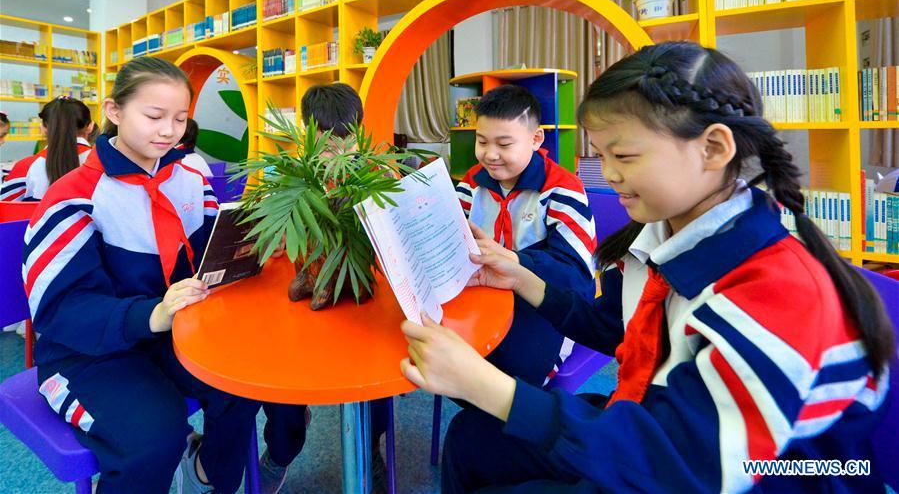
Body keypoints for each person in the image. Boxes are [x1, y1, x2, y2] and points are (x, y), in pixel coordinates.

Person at [400, 41, 895, 493]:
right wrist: (524, 280)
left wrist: (483, 383)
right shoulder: (658, 237)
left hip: (736, 474)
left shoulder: (776, 292)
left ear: (713, 148)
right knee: (470, 439)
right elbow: (616, 327)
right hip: (653, 418)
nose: (608, 174)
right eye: (601, 155)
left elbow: (685, 467)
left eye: (624, 156)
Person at [23, 57, 259, 494]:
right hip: (87, 352)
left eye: (180, 118)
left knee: (244, 383)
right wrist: (153, 314)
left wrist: (251, 247)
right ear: (114, 111)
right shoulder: (74, 195)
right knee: (153, 439)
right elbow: (60, 309)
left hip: (172, 333)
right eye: (154, 116)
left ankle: (207, 477)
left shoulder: (191, 174)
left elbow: (211, 254)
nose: (169, 131)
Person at [258, 81, 365, 494]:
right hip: (303, 300)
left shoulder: (376, 172)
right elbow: (267, 238)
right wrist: (275, 238)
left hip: (359, 300)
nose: (337, 157)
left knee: (375, 375)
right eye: (325, 145)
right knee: (278, 370)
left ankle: (369, 447)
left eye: (347, 144)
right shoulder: (286, 175)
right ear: (306, 135)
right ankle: (280, 450)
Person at [455, 84, 597, 386]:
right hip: (485, 298)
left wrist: (514, 260)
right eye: (482, 141)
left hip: (543, 305)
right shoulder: (471, 183)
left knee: (511, 375)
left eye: (504, 144)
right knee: (448, 354)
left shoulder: (562, 189)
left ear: (536, 139)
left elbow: (574, 276)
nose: (490, 155)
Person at [0, 97, 93, 201]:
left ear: (43, 128)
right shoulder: (102, 161)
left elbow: (5, 206)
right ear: (90, 126)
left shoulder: (26, 167)